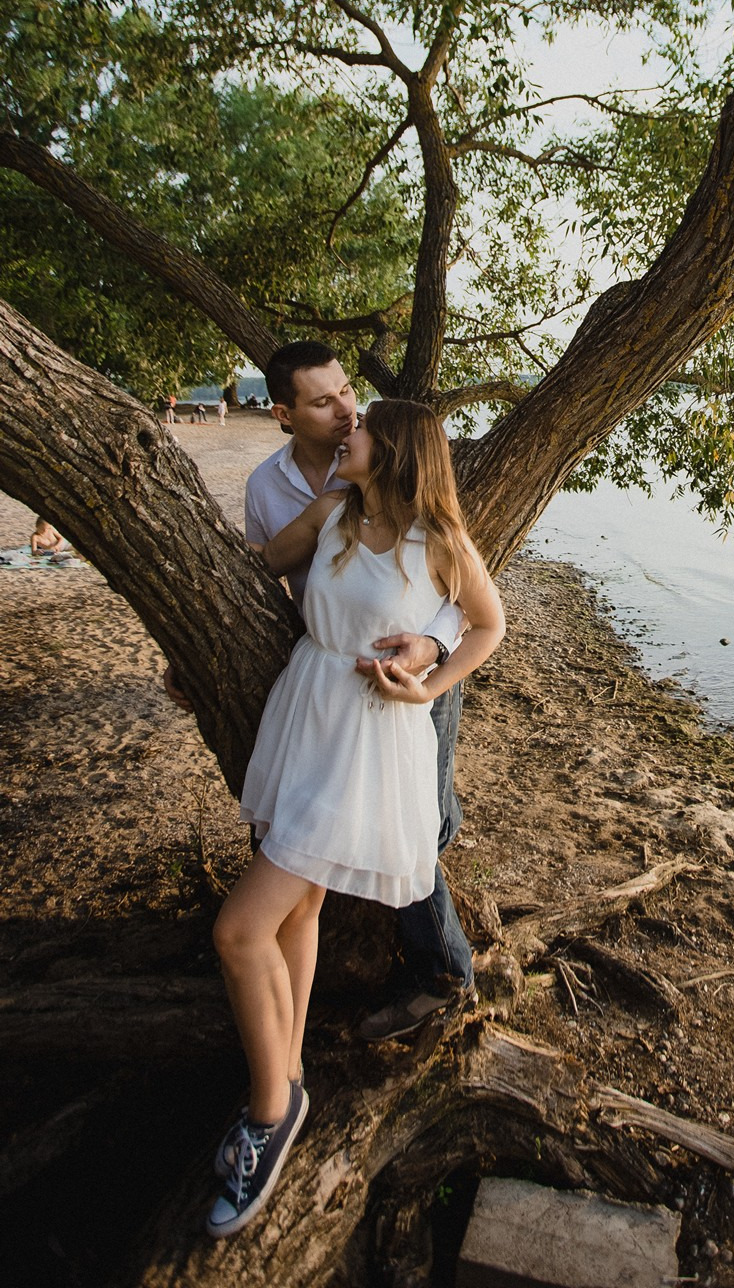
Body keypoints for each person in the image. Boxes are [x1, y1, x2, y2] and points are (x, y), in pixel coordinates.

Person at [206, 398, 505, 1236]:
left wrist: (429, 679)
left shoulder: (440, 541)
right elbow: (254, 567)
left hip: (366, 745)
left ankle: (270, 1115)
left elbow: (490, 624)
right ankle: (286, 1073)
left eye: (362, 430)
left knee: (238, 932)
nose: (348, 437)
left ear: (399, 450)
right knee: (296, 910)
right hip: (305, 715)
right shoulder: (333, 511)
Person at [166, 341, 480, 1034]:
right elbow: (253, 579)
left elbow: (462, 597)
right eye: (324, 401)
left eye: (347, 395)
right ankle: (285, 972)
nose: (344, 410)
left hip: (407, 670)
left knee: (419, 826)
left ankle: (443, 969)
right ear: (285, 414)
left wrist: (430, 647)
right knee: (306, 829)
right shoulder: (273, 490)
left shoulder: (406, 488)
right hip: (320, 673)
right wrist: (184, 642)